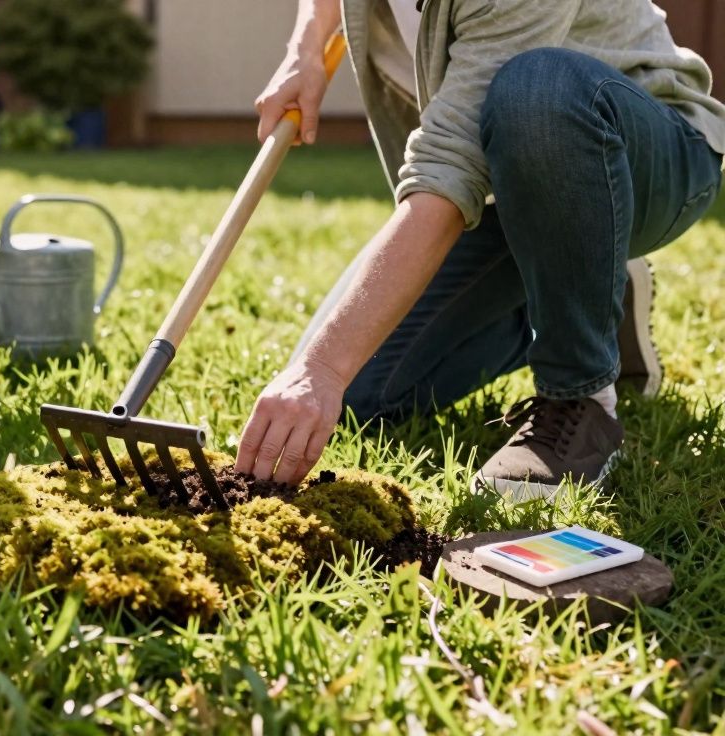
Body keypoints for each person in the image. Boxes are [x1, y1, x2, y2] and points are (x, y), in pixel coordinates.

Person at [234, 0, 725, 500]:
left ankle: (580, 398)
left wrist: (322, 368)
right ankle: (587, 287)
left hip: (642, 148)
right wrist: (306, 50)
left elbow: (448, 173)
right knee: (356, 399)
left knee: (537, 89)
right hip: (497, 189)